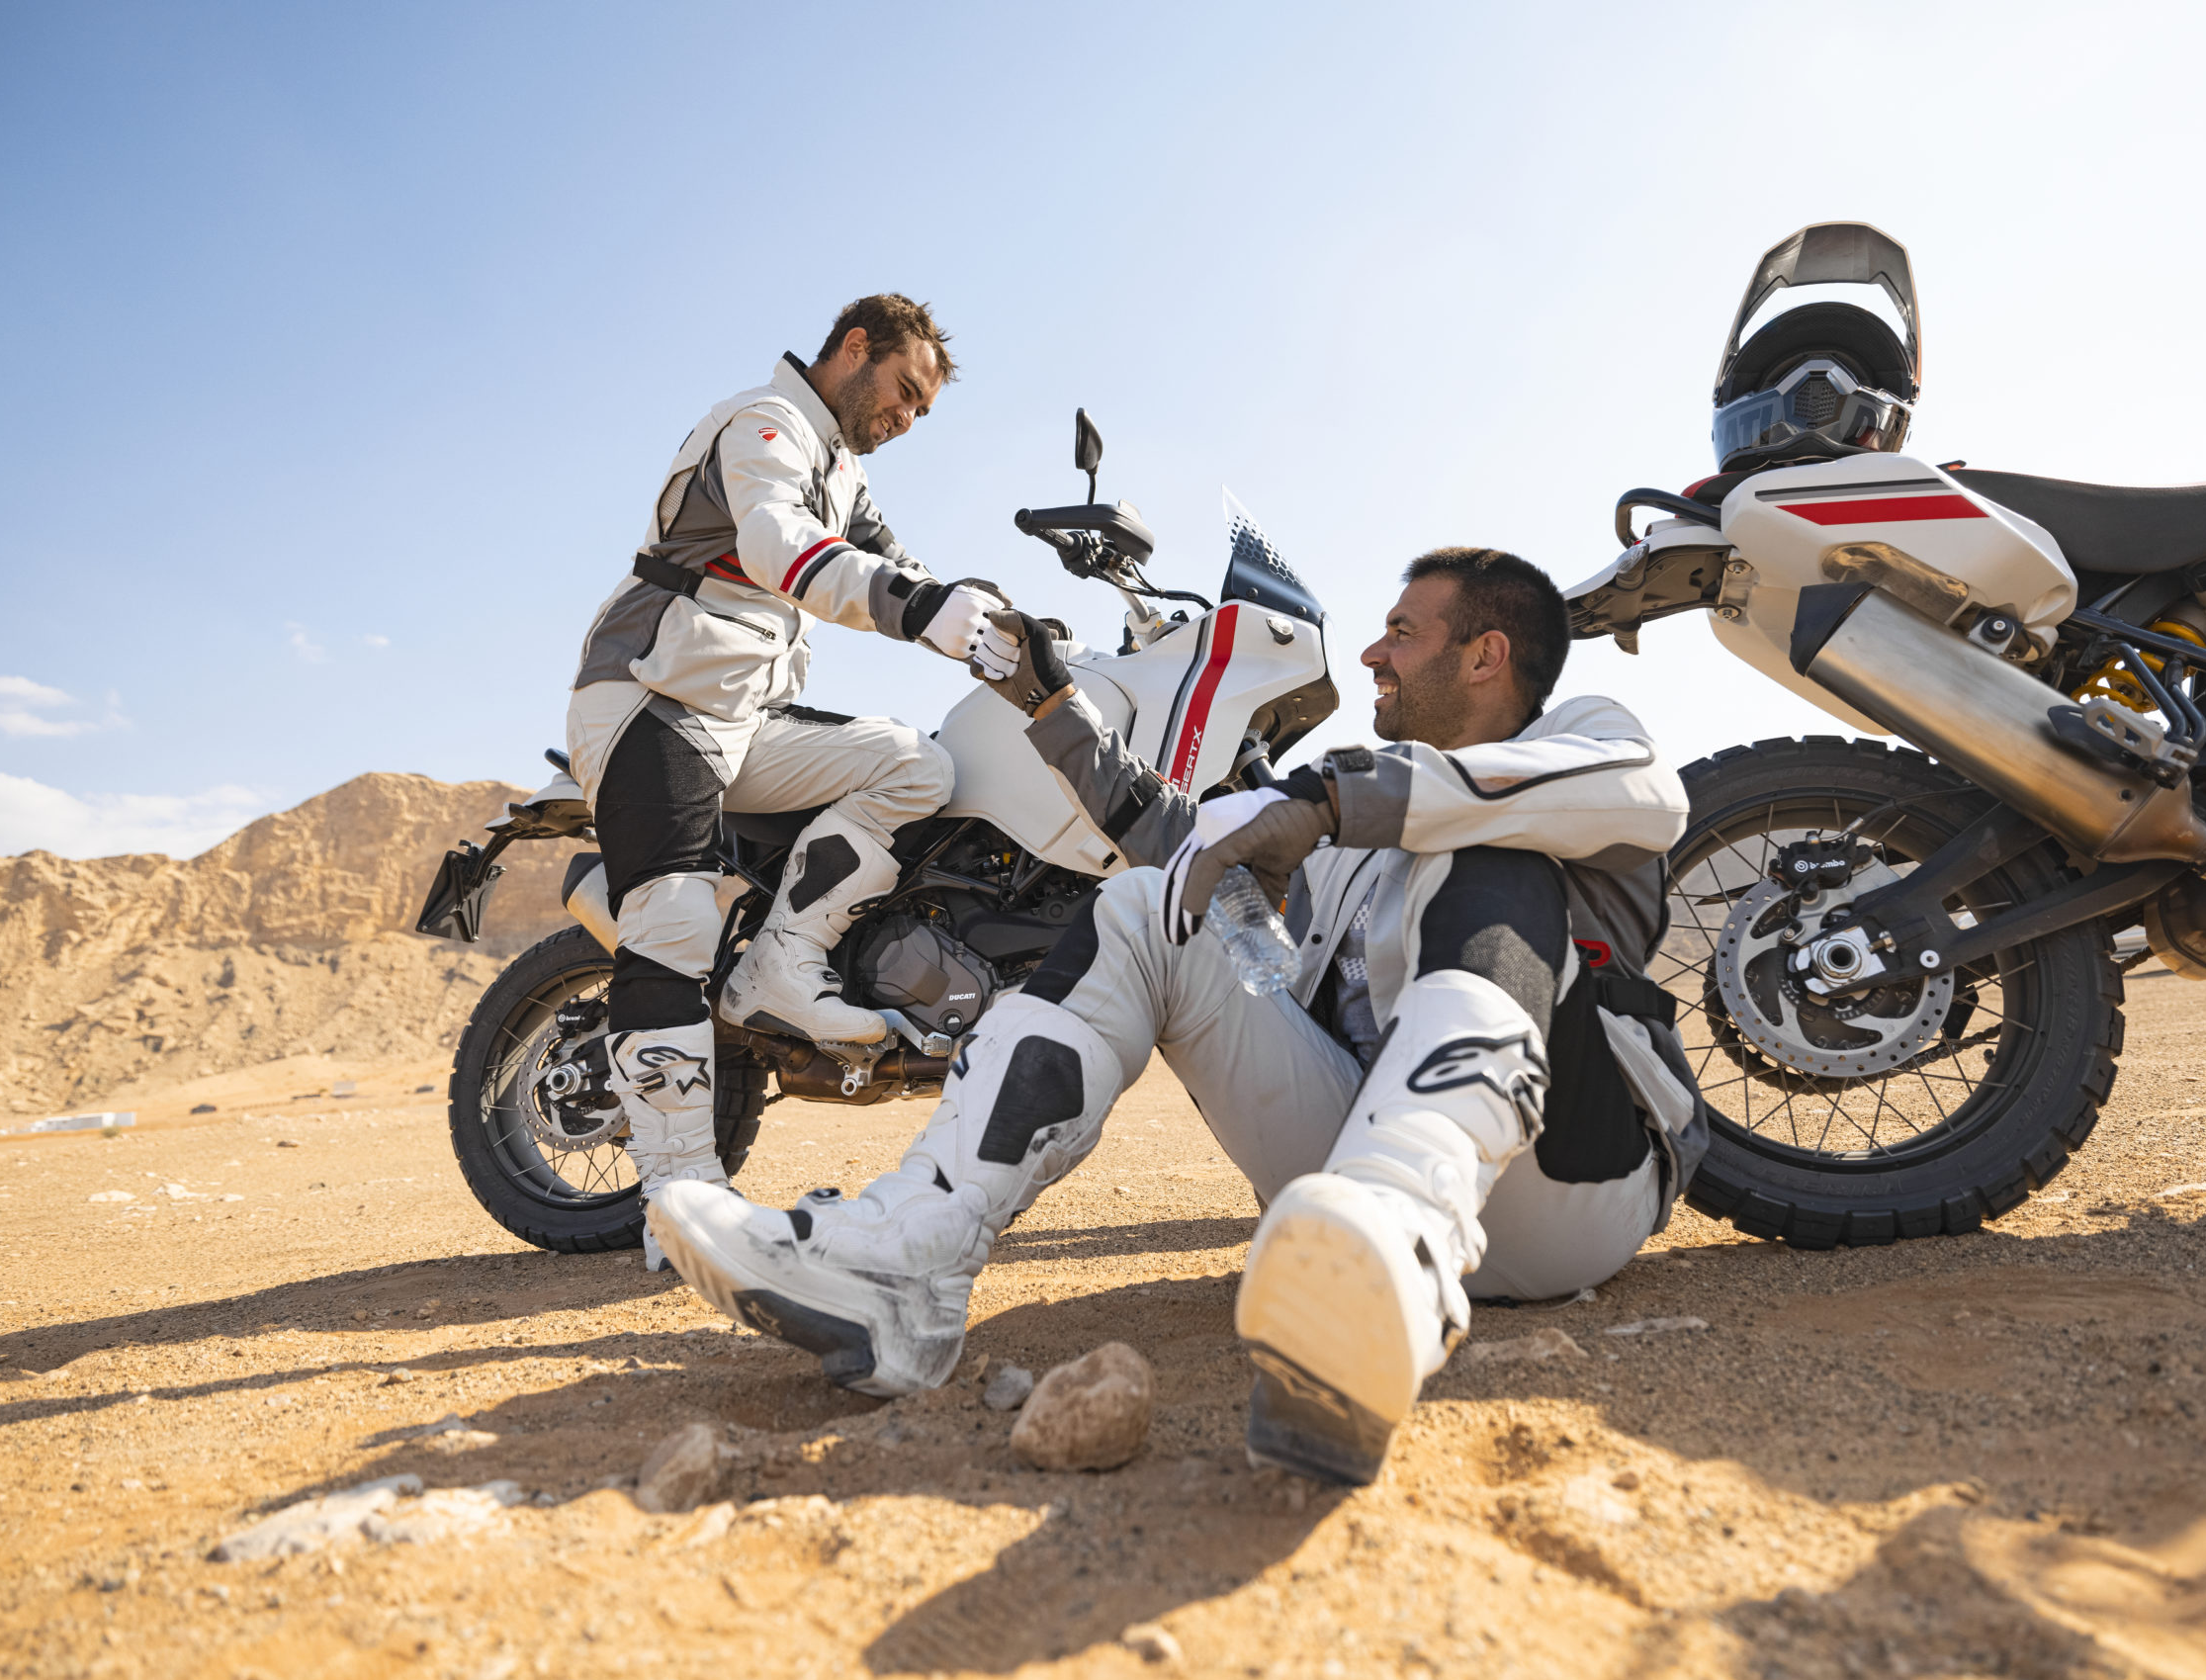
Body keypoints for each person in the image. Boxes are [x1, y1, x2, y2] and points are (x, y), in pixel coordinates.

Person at [650, 548, 1707, 1484]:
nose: (1375, 656)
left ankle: (1405, 1232)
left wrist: (1330, 799)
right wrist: (1049, 703)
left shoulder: (1583, 739)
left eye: (1401, 630)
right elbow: (1179, 837)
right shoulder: (1340, 831)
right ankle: (909, 1265)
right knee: (1145, 905)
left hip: (1565, 1188)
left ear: (1484, 655)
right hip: (1340, 1180)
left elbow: (1644, 797)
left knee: (1486, 850)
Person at [567, 295, 1017, 1263]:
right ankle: (678, 1202)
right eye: (902, 392)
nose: (905, 418)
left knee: (917, 766)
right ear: (854, 349)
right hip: (657, 696)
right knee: (676, 922)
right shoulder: (762, 426)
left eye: (921, 413)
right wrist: (916, 607)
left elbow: (899, 563)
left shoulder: (840, 472)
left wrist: (998, 622)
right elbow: (779, 546)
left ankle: (782, 963)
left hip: (747, 719)